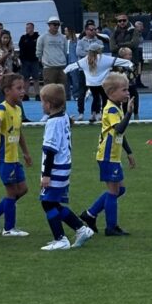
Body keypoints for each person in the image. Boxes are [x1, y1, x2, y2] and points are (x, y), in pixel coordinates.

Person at [78, 73, 136, 237]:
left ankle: (90, 214)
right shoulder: (110, 108)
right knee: (113, 191)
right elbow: (119, 129)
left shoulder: (117, 106)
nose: (127, 93)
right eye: (124, 90)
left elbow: (118, 135)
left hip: (113, 156)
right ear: (111, 93)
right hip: (107, 155)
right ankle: (111, 227)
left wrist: (129, 152)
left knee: (120, 189)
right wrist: (129, 113)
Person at [38, 83, 94, 251]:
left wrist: (46, 175)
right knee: (53, 203)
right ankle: (82, 229)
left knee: (47, 203)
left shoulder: (53, 122)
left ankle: (61, 238)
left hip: (55, 169)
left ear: (48, 104)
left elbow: (50, 150)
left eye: (42, 102)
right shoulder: (64, 117)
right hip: (64, 167)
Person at [0, 74, 33, 237]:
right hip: (4, 158)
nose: (22, 91)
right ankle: (9, 229)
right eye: (18, 88)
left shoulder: (18, 109)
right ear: (6, 91)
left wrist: (25, 152)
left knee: (23, 189)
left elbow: (19, 132)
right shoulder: (2, 109)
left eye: (23, 88)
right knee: (11, 192)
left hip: (14, 158)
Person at [64, 42, 133, 122]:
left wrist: (64, 72)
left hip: (91, 84)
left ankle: (93, 114)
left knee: (95, 98)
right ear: (99, 50)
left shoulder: (85, 60)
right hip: (102, 83)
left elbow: (72, 66)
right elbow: (120, 61)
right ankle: (103, 114)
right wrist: (130, 64)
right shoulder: (105, 58)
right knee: (104, 98)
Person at [36, 17, 67, 90]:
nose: (56, 26)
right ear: (49, 25)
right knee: (49, 90)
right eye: (54, 24)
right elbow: (39, 52)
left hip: (61, 67)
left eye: (58, 24)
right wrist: (43, 62)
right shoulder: (42, 37)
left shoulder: (63, 37)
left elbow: (65, 51)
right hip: (49, 67)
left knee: (61, 90)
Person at [17, 22, 41, 101]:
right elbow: (21, 48)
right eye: (26, 28)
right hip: (25, 61)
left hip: (35, 60)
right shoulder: (23, 38)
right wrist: (21, 59)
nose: (27, 29)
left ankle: (37, 94)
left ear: (33, 28)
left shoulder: (38, 37)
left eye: (29, 28)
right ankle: (25, 94)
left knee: (36, 78)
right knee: (25, 78)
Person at [116, 47, 140, 120]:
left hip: (132, 85)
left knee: (135, 98)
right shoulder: (119, 64)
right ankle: (125, 115)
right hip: (123, 86)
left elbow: (135, 73)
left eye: (131, 54)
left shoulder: (132, 63)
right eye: (128, 55)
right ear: (123, 56)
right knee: (124, 100)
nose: (130, 56)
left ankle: (136, 113)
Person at [0, 30, 15, 101]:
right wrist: (6, 54)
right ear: (0, 38)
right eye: (4, 38)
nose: (6, 40)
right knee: (2, 97)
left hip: (10, 73)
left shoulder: (11, 48)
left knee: (10, 95)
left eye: (7, 38)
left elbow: (12, 60)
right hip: (0, 75)